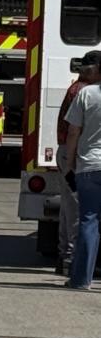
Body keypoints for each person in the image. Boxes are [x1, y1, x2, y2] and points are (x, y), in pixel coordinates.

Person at [56, 60, 100, 274]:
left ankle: (69, 260)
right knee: (79, 212)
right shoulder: (81, 90)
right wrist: (71, 161)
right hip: (79, 157)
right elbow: (73, 131)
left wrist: (71, 162)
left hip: (82, 160)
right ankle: (71, 259)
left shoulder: (81, 90)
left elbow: (73, 131)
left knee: (75, 211)